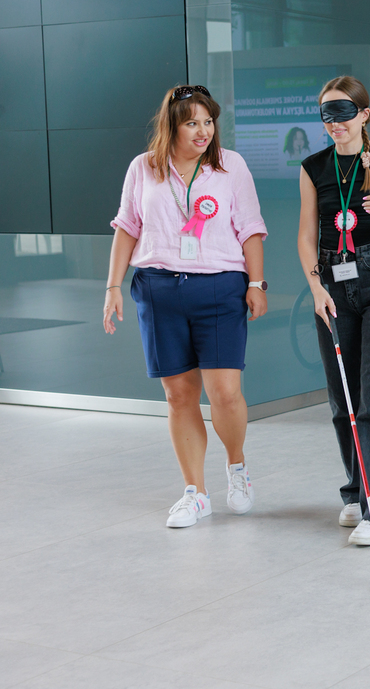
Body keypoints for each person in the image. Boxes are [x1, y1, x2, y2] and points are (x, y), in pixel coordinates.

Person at [104, 85, 269, 528]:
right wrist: (112, 286)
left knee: (225, 394)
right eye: (191, 122)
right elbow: (127, 227)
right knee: (179, 397)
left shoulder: (230, 165)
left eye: (208, 121)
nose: (202, 131)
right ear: (171, 126)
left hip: (220, 288)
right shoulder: (144, 168)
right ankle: (195, 492)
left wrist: (256, 282)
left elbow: (250, 227)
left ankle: (237, 467)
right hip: (159, 288)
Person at [298, 76, 370, 546]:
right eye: (326, 114)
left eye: (343, 112)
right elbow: (307, 233)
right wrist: (314, 287)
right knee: (342, 398)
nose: (335, 124)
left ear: (364, 114)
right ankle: (355, 490)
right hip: (330, 282)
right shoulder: (313, 167)